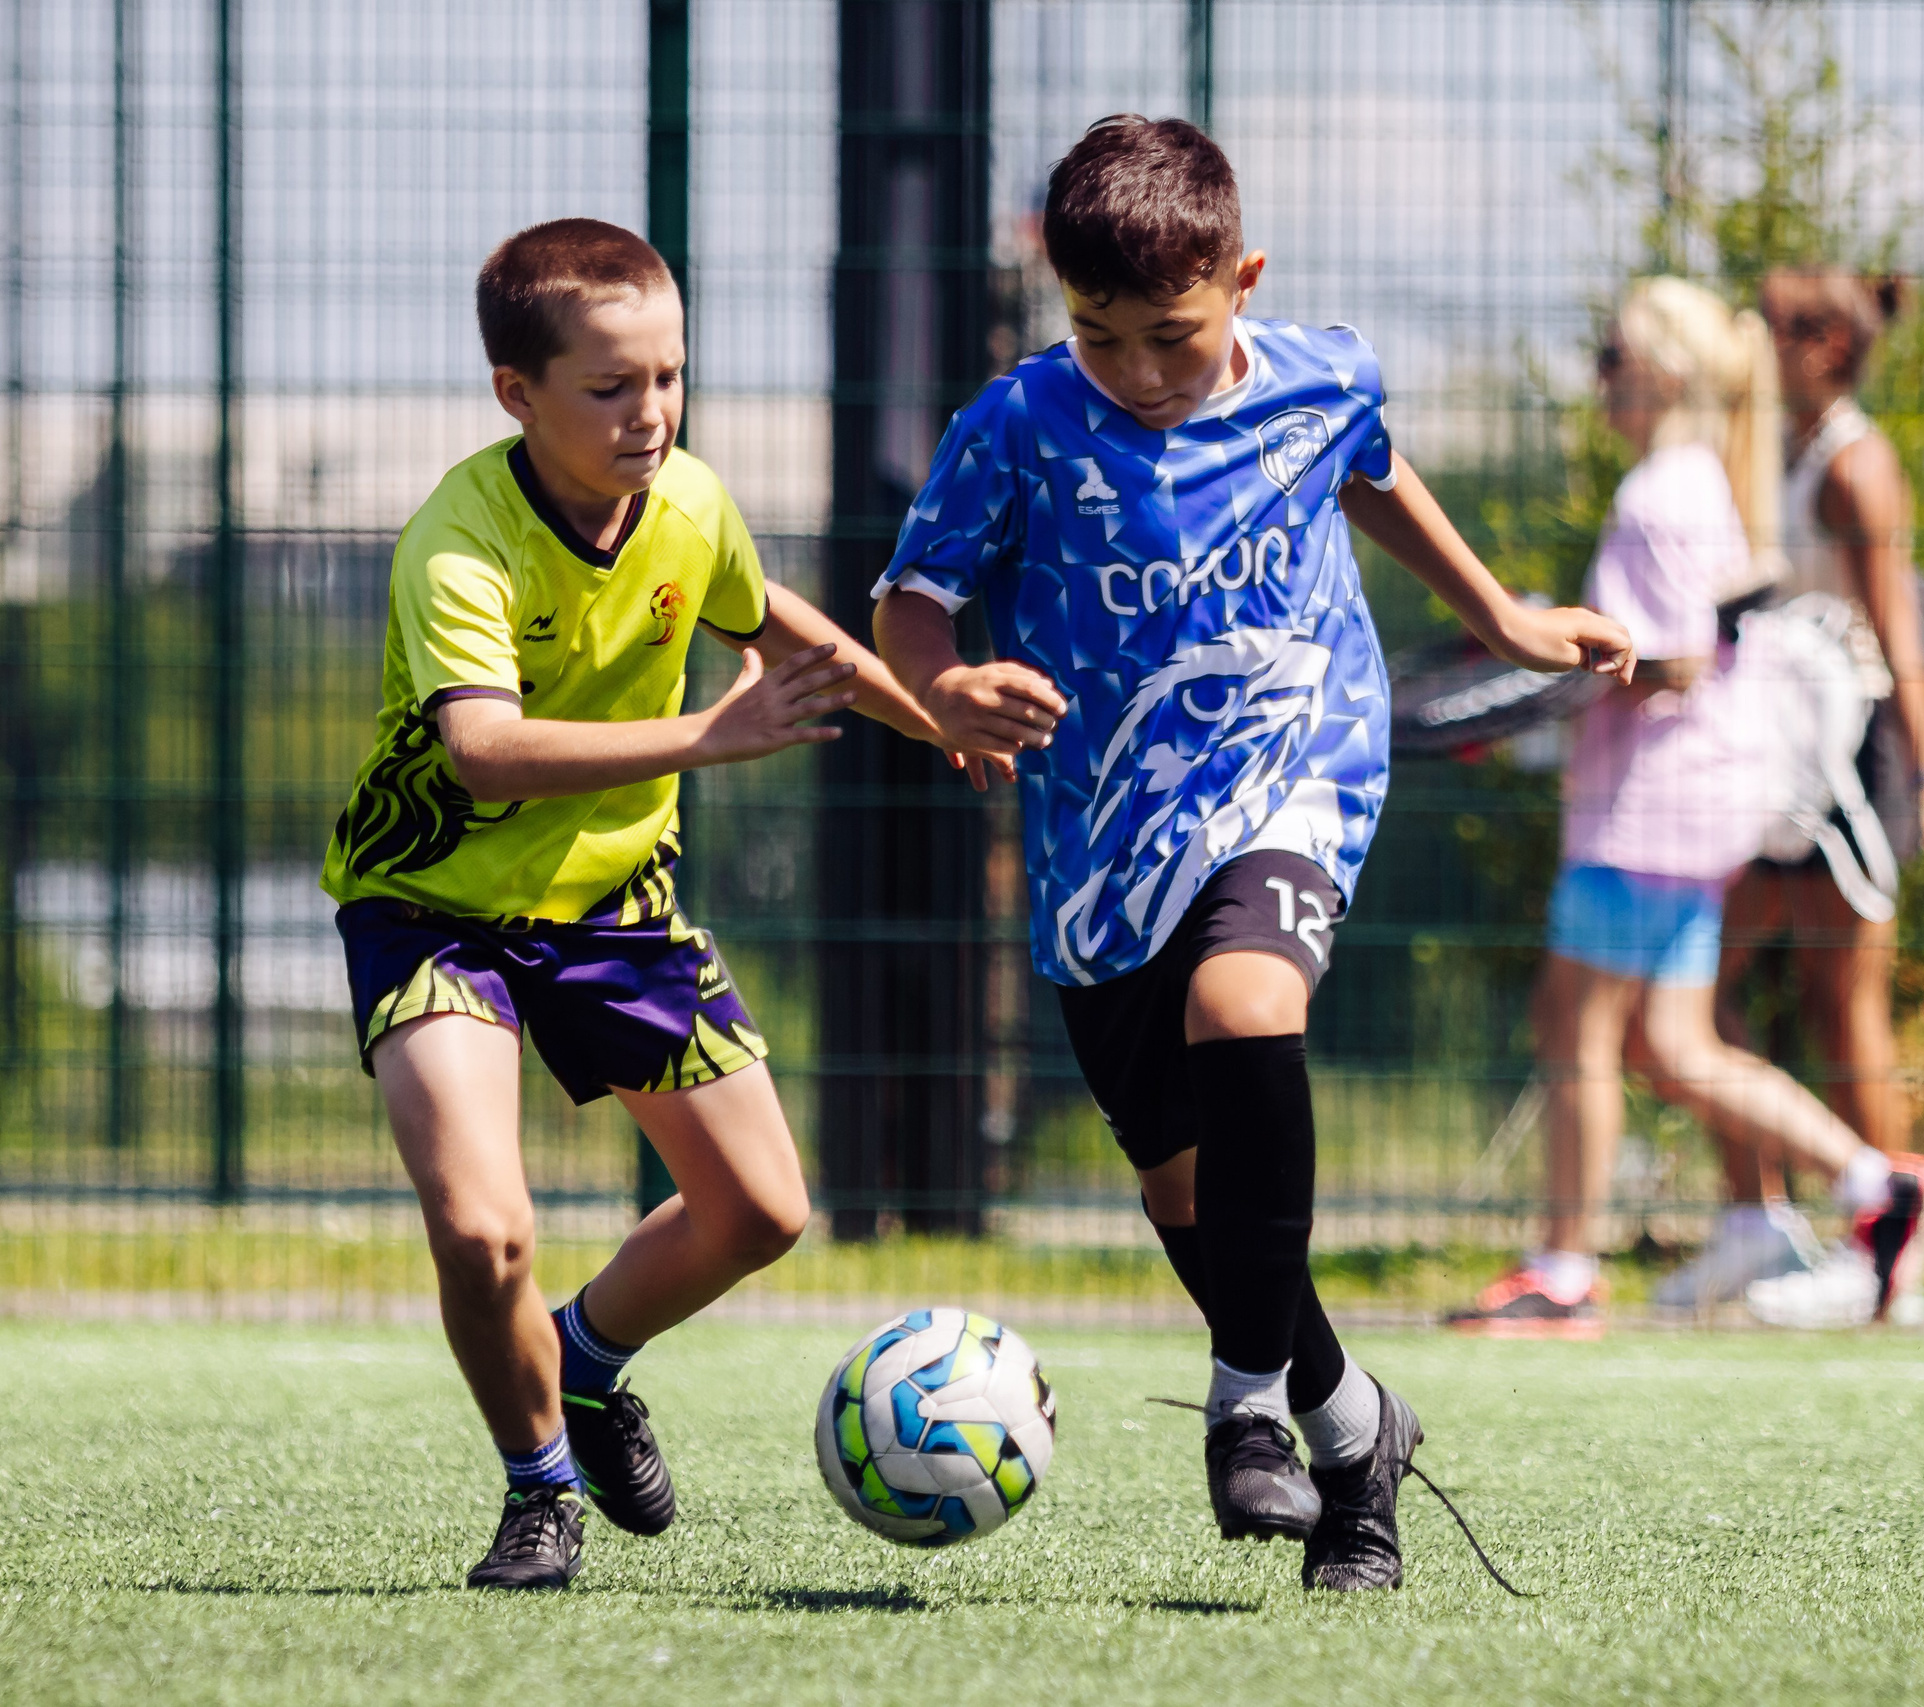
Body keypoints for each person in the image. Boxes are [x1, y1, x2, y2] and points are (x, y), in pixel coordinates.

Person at [869, 115, 1632, 1592]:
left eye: (1170, 335)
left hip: (1299, 764)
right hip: (1102, 834)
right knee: (1186, 1198)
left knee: (1245, 1003)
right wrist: (946, 683)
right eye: (1100, 335)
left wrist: (1506, 622)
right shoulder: (1020, 421)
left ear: (1244, 279)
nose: (1139, 374)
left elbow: (1376, 470)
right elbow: (916, 596)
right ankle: (1356, 1438)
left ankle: (1245, 1409)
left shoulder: (1323, 374)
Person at [321, 219, 964, 1591]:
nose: (651, 412)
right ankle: (539, 1480)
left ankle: (590, 1359)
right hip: (436, 912)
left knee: (763, 1209)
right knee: (482, 1223)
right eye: (610, 386)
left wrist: (947, 724)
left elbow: (788, 627)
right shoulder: (460, 541)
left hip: (616, 904)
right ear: (518, 394)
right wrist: (706, 741)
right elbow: (483, 749)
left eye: (668, 375)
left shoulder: (689, 502)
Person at [1441, 278, 1924, 1339]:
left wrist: (1537, 669)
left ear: (1664, 374)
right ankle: (1875, 1186)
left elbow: (1668, 660)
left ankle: (1564, 1267)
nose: (1602, 381)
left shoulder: (1660, 494)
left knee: (1575, 1025)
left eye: (1613, 360)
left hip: (1648, 807)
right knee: (1674, 1047)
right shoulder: (1698, 483)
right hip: (1680, 804)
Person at [1713, 268, 1924, 1330]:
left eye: (1768, 327)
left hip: (1850, 762)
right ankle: (1755, 1223)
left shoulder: (1856, 467)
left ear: (1823, 346)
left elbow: (1898, 640)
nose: (1750, 340)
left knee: (1840, 1004)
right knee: (1696, 987)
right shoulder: (1774, 442)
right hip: (1783, 756)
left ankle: (1887, 1265)